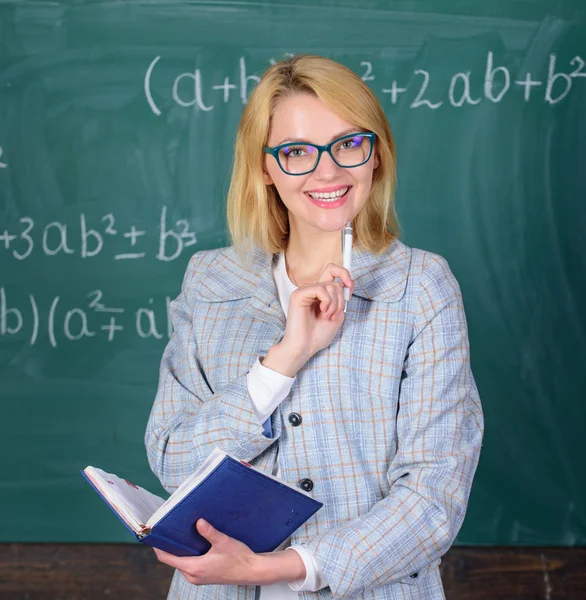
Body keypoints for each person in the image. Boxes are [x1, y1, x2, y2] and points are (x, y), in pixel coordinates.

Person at [144, 54, 484, 600]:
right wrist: (285, 357)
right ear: (265, 168)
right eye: (297, 152)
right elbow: (173, 463)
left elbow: (433, 499)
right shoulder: (210, 282)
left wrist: (280, 568)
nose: (328, 172)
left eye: (349, 144)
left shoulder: (422, 287)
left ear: (377, 156)